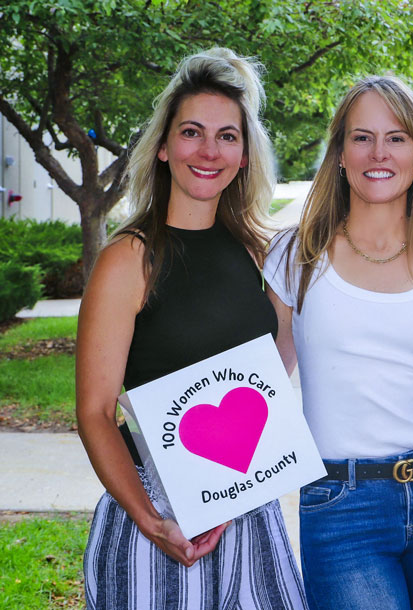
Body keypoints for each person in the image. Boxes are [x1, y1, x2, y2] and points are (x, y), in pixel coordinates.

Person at [76, 48, 307, 608]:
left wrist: (251, 452)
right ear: (162, 146)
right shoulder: (128, 259)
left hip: (250, 509)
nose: (209, 150)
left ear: (246, 154)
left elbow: (278, 356)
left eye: (228, 136)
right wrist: (154, 521)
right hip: (159, 518)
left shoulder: (264, 252)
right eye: (192, 132)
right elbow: (95, 411)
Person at [263, 75, 413, 610]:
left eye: (396, 138)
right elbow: (262, 382)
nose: (378, 153)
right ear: (339, 153)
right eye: (361, 137)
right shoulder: (296, 257)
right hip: (343, 505)